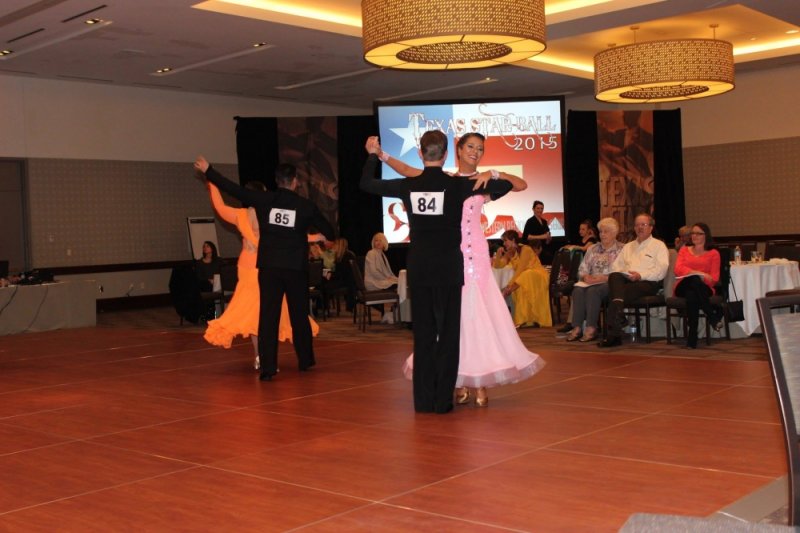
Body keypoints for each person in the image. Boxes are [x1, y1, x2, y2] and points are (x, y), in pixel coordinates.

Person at [381, 132, 544, 407]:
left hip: (476, 255)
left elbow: (521, 184)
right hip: (450, 255)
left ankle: (479, 379)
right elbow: (408, 170)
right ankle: (455, 379)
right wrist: (383, 155)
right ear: (456, 150)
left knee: (476, 317)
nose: (475, 152)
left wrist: (494, 172)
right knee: (452, 321)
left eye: (480, 149)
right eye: (470, 146)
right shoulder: (448, 181)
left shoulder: (483, 181)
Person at [360, 130, 512, 414]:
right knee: (449, 335)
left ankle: (423, 401)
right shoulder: (458, 186)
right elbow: (503, 187)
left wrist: (373, 155)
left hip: (419, 267)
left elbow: (367, 184)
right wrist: (488, 175)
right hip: (449, 268)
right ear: (445, 155)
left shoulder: (408, 186)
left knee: (425, 335)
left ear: (421, 153)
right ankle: (443, 401)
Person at [194, 157, 335, 381]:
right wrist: (327, 238)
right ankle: (305, 360)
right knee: (299, 315)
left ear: (277, 181)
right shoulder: (305, 206)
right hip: (295, 268)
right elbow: (329, 229)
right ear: (295, 181)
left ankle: (268, 367)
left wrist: (209, 171)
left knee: (268, 316)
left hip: (269, 267)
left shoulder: (264, 200)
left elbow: (232, 189)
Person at [599, 213, 669, 347]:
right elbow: (616, 267)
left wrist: (640, 275)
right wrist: (626, 274)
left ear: (651, 228)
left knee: (615, 296)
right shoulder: (628, 246)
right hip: (627, 281)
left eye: (643, 225)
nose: (640, 228)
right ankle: (619, 317)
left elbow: (661, 271)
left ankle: (614, 335)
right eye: (637, 225)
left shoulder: (659, 246)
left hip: (648, 283)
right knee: (614, 276)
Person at [564, 217, 623, 342]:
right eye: (601, 231)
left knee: (593, 291)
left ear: (614, 233)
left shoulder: (622, 249)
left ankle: (591, 327)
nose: (602, 234)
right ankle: (577, 327)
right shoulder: (593, 249)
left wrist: (603, 278)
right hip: (590, 281)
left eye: (606, 231)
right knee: (577, 290)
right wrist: (585, 276)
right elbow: (582, 268)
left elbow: (622, 270)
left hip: (609, 282)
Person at [673, 222, 722, 349]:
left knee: (692, 294)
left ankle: (692, 335)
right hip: (682, 286)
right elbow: (678, 269)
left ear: (706, 235)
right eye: (693, 233)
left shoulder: (713, 254)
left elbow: (714, 279)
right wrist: (698, 273)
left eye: (698, 233)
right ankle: (711, 316)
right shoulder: (684, 250)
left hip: (704, 288)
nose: (694, 236)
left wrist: (701, 277)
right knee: (693, 279)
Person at [494, 233, 552, 329]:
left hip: (538, 275)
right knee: (522, 281)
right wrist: (498, 256)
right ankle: (527, 320)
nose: (504, 244)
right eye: (503, 241)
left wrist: (510, 285)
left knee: (525, 275)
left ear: (513, 240)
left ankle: (508, 291)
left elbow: (521, 269)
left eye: (505, 241)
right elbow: (498, 266)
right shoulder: (509, 252)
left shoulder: (525, 249)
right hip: (524, 278)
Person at [364, 232, 398, 323]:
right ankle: (394, 313)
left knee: (400, 284)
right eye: (376, 240)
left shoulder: (381, 254)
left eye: (380, 240)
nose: (378, 242)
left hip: (380, 280)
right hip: (373, 282)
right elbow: (374, 272)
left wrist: (395, 279)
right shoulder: (371, 253)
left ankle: (394, 312)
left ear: (384, 242)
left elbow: (388, 273)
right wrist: (388, 279)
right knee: (397, 287)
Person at [324, 237, 357, 313]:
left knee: (323, 285)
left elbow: (341, 273)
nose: (333, 246)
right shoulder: (344, 255)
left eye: (335, 244)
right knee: (324, 283)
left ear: (339, 245)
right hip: (346, 281)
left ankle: (322, 308)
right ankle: (323, 307)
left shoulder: (346, 256)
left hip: (345, 281)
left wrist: (330, 274)